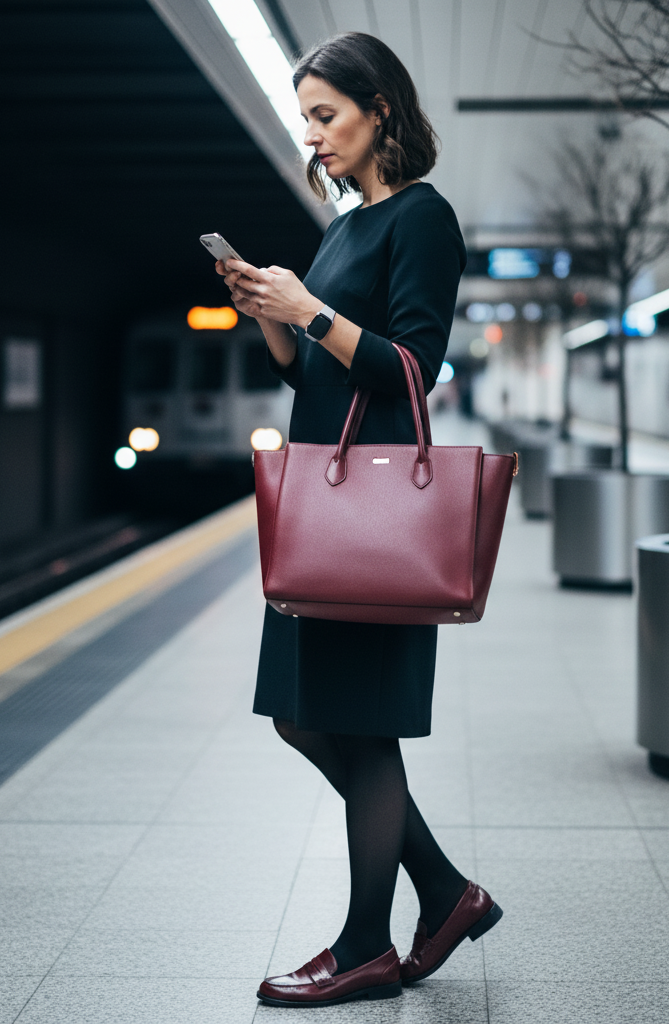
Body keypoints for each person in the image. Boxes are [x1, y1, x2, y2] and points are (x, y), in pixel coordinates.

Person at [216, 32, 503, 1008]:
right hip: (320, 507)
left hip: (373, 514)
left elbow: (415, 370)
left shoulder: (423, 222)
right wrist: (272, 311)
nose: (314, 135)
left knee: (359, 727)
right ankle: (445, 893)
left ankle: (361, 947)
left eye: (325, 115)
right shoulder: (342, 226)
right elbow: (311, 370)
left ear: (379, 108)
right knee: (304, 716)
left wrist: (311, 312)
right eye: (305, 118)